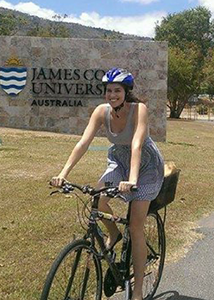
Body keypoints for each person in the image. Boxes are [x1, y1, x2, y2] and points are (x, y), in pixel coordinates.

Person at [50, 68, 164, 300]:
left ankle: (139, 290)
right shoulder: (101, 112)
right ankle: (113, 234)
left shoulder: (139, 109)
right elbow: (83, 142)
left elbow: (136, 145)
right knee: (99, 199)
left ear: (126, 92)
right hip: (119, 161)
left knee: (135, 226)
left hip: (146, 166)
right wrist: (62, 173)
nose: (112, 95)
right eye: (109, 90)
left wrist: (132, 180)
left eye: (117, 90)